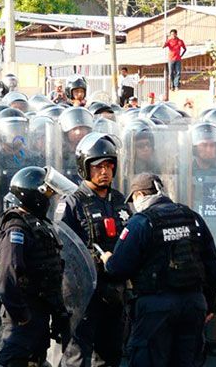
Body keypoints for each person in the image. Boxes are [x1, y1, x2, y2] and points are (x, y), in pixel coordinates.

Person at [100, 173, 216, 366]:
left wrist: (107, 260)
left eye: (134, 199)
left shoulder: (141, 222)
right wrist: (208, 302)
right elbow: (212, 264)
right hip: (194, 304)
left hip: (155, 307)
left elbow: (118, 269)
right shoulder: (192, 216)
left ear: (139, 195)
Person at [59, 133, 131, 367]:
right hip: (83, 294)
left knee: (111, 353)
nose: (105, 172)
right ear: (85, 167)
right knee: (76, 356)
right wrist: (96, 260)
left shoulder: (120, 200)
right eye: (98, 166)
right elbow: (62, 249)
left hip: (115, 291)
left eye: (109, 165)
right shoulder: (71, 202)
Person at [0, 166, 70, 367]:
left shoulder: (37, 224)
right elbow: (8, 274)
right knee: (18, 360)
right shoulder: (16, 228)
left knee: (36, 361)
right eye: (48, 195)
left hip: (39, 310)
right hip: (25, 314)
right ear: (34, 195)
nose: (49, 201)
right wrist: (21, 314)